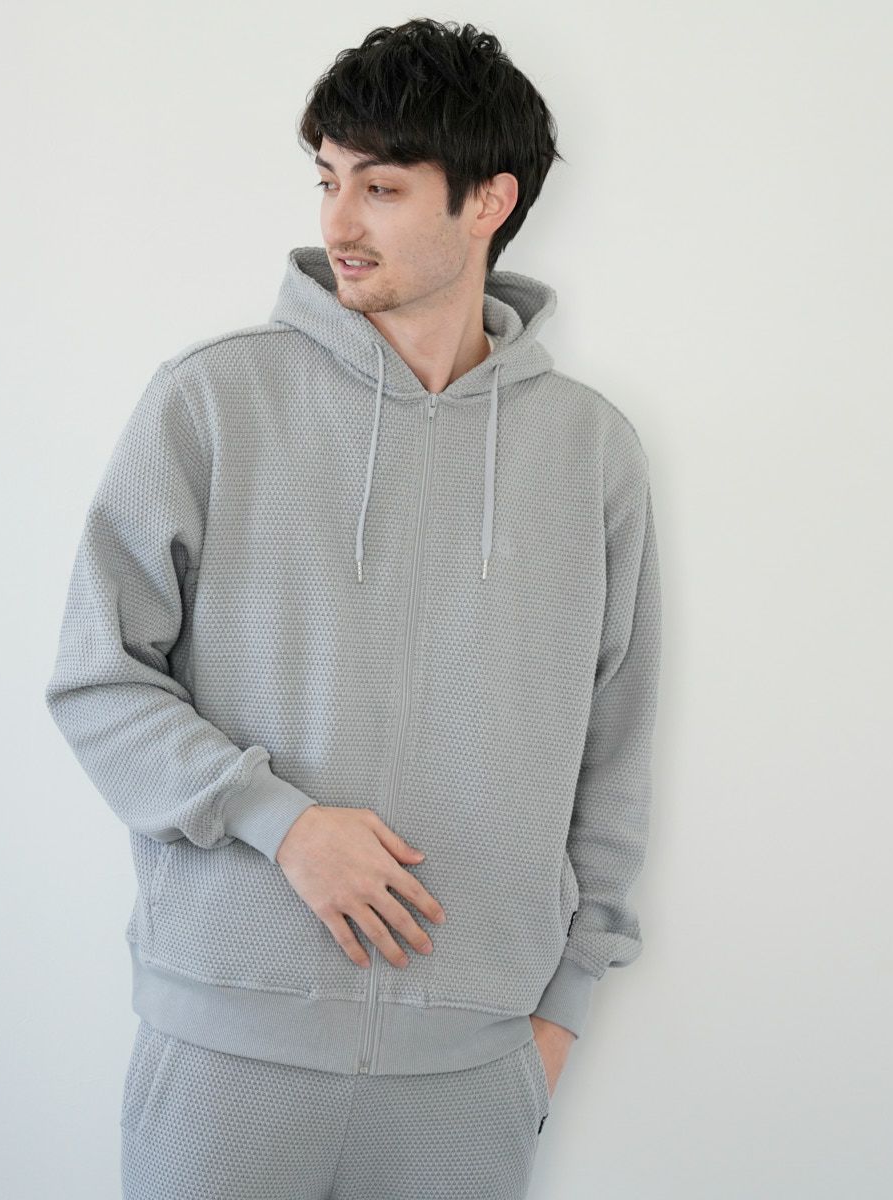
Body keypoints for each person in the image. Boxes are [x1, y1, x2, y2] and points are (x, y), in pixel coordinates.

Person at [44, 17, 662, 1200]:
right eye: (327, 180)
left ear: (488, 201)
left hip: (470, 1079)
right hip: (227, 1056)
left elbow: (613, 741)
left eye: (380, 188)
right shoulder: (212, 401)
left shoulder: (589, 452)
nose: (338, 224)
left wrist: (561, 1013)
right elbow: (97, 676)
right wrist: (281, 822)